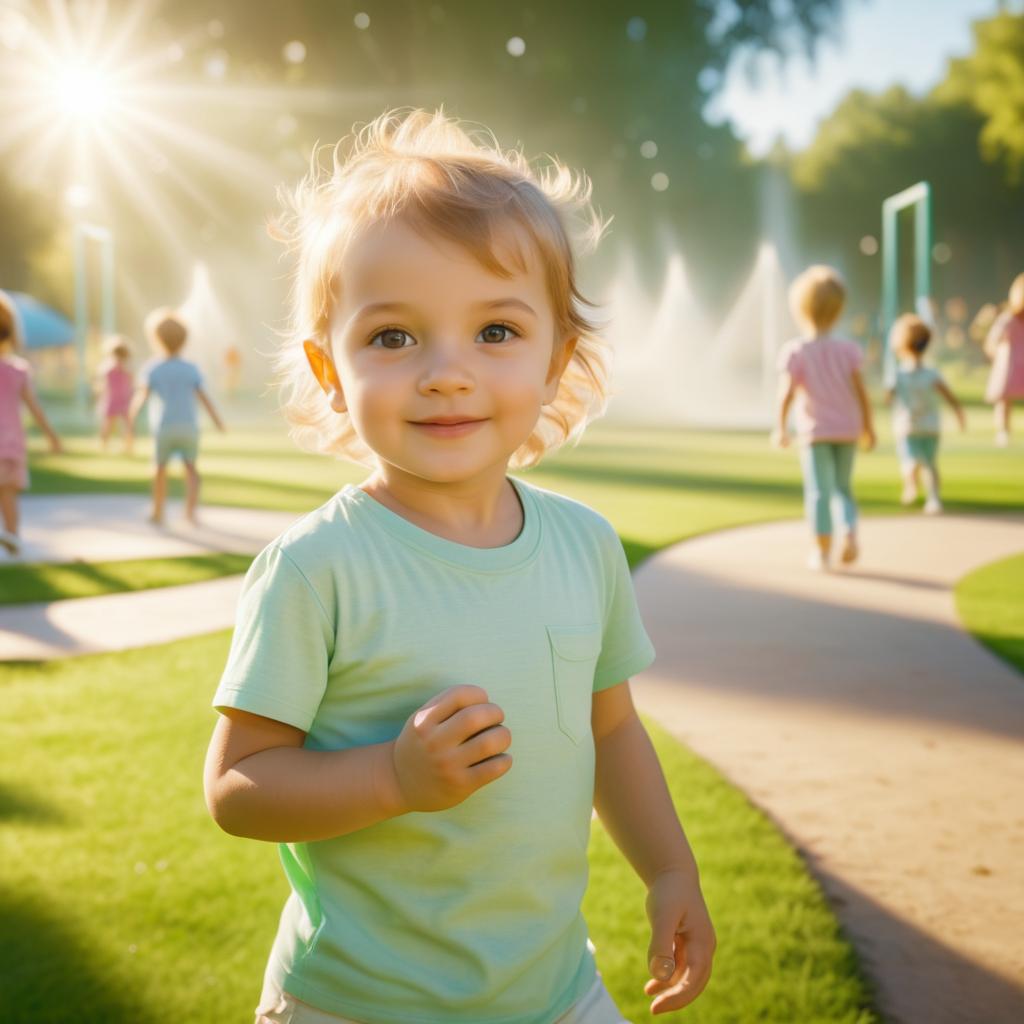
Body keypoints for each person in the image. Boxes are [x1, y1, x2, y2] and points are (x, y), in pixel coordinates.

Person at [204, 109, 715, 1024]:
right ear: (330, 368)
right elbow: (238, 789)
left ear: (559, 356)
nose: (447, 372)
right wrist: (392, 779)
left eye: (495, 332)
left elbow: (611, 734)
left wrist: (671, 868)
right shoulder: (318, 568)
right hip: (360, 1000)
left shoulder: (584, 545)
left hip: (555, 989)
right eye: (394, 338)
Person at [772, 265, 876, 571]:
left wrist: (780, 427)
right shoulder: (848, 350)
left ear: (800, 308)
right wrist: (868, 427)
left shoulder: (797, 351)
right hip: (847, 429)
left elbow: (786, 394)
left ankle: (821, 550)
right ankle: (850, 534)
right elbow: (862, 393)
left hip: (816, 432)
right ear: (840, 308)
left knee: (819, 491)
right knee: (843, 488)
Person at [129, 308, 225, 525]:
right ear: (184, 340)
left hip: (164, 427)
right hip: (189, 427)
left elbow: (141, 397)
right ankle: (190, 513)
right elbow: (204, 398)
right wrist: (218, 422)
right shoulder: (191, 368)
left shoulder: (153, 368)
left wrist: (131, 418)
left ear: (155, 339)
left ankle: (158, 511)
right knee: (191, 469)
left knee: (159, 468)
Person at [0, 290, 61, 556]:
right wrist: (51, 436)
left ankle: (11, 540)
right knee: (8, 494)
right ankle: (13, 540)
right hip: (11, 442)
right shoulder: (18, 370)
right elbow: (35, 409)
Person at [886, 314, 965, 515]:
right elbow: (950, 397)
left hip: (908, 426)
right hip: (929, 426)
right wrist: (959, 414)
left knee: (911, 461)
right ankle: (933, 498)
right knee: (930, 464)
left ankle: (912, 486)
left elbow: (888, 397)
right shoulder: (931, 374)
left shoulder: (898, 374)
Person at [983, 271, 1024, 447]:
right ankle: (1003, 431)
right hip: (1010, 365)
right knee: (1004, 400)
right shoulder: (1008, 319)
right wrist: (997, 357)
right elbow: (992, 340)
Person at [95, 334, 135, 454]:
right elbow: (101, 381)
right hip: (115, 399)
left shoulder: (123, 367)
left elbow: (132, 380)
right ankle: (105, 444)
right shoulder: (110, 366)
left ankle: (127, 446)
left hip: (120, 399)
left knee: (123, 423)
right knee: (110, 423)